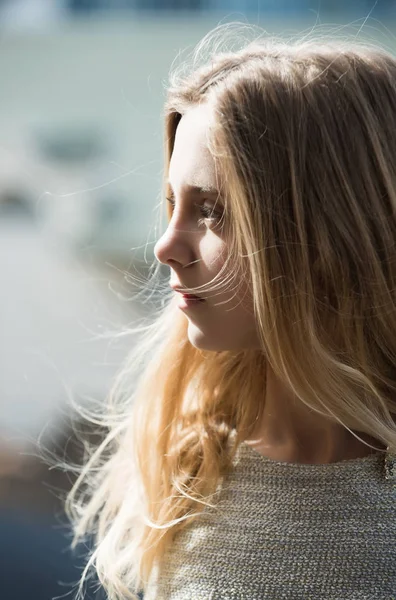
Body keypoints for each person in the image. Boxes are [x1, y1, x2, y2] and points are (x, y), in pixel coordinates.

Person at [66, 25, 396, 600]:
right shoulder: (185, 472)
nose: (165, 247)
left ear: (331, 230)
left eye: (212, 210)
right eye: (172, 205)